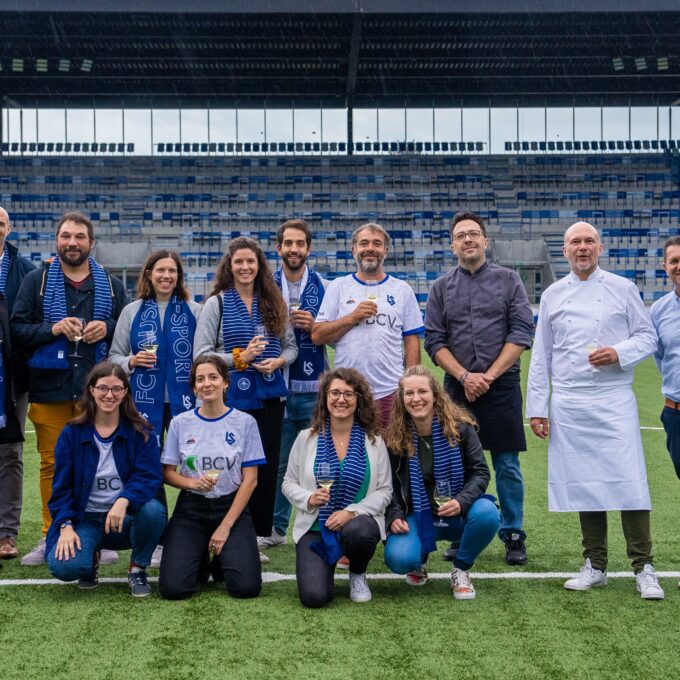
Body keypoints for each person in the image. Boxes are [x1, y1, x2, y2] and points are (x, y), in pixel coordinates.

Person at [526, 221, 664, 600]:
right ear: (565, 251)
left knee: (629, 480)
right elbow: (542, 355)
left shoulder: (622, 288)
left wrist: (619, 353)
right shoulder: (553, 295)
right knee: (585, 483)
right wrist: (537, 407)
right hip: (569, 402)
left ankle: (644, 566)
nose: (582, 248)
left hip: (614, 397)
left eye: (588, 241)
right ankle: (596, 564)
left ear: (600, 248)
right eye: (575, 242)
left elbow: (647, 336)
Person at [12, 211, 126, 566]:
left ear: (91, 243)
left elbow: (126, 326)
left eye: (79, 236)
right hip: (49, 386)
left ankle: (100, 536)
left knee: (101, 463)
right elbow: (17, 329)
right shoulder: (37, 281)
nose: (72, 242)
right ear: (57, 241)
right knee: (51, 464)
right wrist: (53, 329)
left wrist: (106, 327)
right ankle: (52, 533)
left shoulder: (111, 284)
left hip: (100, 392)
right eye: (65, 236)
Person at [424, 211, 533, 566]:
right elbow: (435, 341)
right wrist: (466, 376)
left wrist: (486, 376)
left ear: (486, 241)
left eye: (474, 234)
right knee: (456, 463)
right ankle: (460, 529)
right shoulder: (440, 287)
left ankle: (512, 532)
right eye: (461, 235)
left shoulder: (510, 280)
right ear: (452, 244)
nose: (468, 239)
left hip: (500, 387)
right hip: (456, 390)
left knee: (506, 463)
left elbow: (520, 332)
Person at [193, 236, 297, 563]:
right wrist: (241, 358)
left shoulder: (274, 301)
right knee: (231, 468)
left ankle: (254, 535)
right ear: (230, 265)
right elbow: (202, 355)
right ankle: (224, 529)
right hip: (232, 400)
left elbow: (291, 347)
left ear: (259, 266)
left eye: (251, 262)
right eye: (239, 262)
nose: (245, 267)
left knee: (263, 470)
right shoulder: (217, 303)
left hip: (269, 398)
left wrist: (279, 362)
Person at [110, 249, 201, 567]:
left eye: (172, 271)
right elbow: (114, 357)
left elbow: (204, 355)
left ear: (179, 276)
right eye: (160, 270)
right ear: (148, 274)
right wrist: (132, 361)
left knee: (190, 465)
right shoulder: (132, 312)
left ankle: (191, 530)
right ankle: (160, 536)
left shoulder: (194, 309)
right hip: (143, 404)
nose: (166, 276)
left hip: (185, 403)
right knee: (150, 467)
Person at [46, 363, 166, 597]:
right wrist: (65, 526)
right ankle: (90, 558)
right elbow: (61, 489)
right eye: (102, 388)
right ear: (91, 390)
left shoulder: (141, 432)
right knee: (65, 567)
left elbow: (148, 477)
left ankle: (137, 569)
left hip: (124, 519)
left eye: (116, 389)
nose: (109, 395)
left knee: (153, 511)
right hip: (86, 519)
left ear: (124, 393)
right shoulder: (71, 433)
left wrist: (123, 501)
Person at [384, 366, 500, 600]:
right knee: (399, 559)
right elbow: (390, 485)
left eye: (422, 392)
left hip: (456, 512)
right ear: (402, 399)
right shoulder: (396, 436)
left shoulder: (461, 428)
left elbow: (480, 472)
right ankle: (419, 559)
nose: (416, 398)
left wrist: (461, 501)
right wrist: (394, 514)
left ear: (435, 394)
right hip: (418, 513)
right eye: (409, 393)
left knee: (488, 513)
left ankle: (461, 568)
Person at [282, 367, 391, 607]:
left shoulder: (374, 441)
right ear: (325, 398)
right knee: (314, 597)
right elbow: (288, 483)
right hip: (315, 527)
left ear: (358, 400)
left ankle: (358, 573)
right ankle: (326, 564)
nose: (341, 399)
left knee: (360, 531)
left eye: (348, 394)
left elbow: (385, 491)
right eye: (335, 393)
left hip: (356, 523)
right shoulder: (305, 438)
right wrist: (309, 498)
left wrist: (351, 512)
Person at [159, 354, 263, 600]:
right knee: (174, 589)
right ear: (194, 387)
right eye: (200, 379)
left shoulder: (245, 422)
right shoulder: (180, 423)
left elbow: (251, 480)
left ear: (225, 382)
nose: (207, 384)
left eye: (213, 377)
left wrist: (225, 527)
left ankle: (220, 554)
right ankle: (201, 557)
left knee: (245, 588)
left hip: (231, 510)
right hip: (191, 510)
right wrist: (193, 483)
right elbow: (167, 473)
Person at [258, 219, 328, 551]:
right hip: (276, 387)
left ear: (308, 248)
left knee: (319, 460)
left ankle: (323, 520)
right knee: (280, 461)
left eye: (300, 243)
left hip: (314, 389)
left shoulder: (326, 287)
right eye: (288, 243)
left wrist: (316, 325)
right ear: (279, 248)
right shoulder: (264, 288)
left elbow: (335, 334)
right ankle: (274, 526)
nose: (294, 249)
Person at [311, 223, 423, 429]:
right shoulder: (339, 286)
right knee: (351, 455)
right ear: (354, 250)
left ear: (385, 251)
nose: (370, 248)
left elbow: (412, 341)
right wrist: (352, 317)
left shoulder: (402, 290)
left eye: (377, 244)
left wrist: (409, 385)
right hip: (348, 392)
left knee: (392, 455)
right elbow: (317, 335)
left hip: (391, 391)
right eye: (364, 243)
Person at [0, 206, 36, 561]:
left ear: (8, 228)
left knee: (10, 452)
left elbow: (29, 322)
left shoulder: (25, 271)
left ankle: (6, 534)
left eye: (0, 222)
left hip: (11, 376)